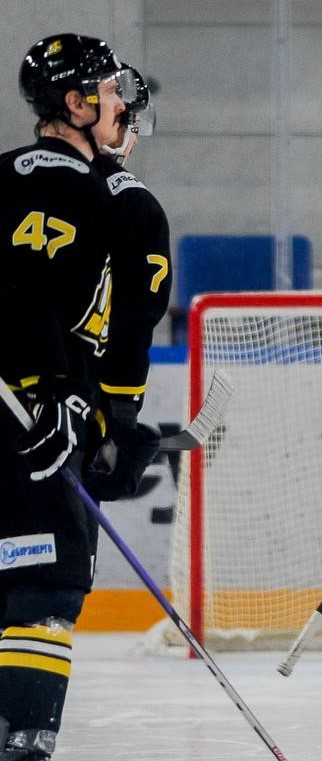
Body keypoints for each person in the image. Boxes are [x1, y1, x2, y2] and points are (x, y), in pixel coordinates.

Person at [0, 33, 134, 761]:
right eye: (109, 92)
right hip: (30, 420)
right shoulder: (88, 191)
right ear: (77, 105)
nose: (120, 104)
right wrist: (53, 389)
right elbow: (25, 288)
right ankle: (24, 753)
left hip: (32, 408)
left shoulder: (8, 174)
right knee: (45, 583)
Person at [85, 64, 168, 501]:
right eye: (124, 119)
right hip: (73, 405)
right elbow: (136, 316)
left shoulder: (11, 174)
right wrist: (122, 414)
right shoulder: (132, 202)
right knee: (65, 539)